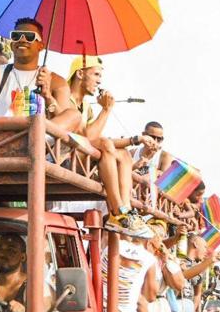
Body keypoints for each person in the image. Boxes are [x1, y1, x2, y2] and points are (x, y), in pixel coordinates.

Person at [64, 54, 156, 238]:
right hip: (64, 158)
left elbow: (95, 140)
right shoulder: (65, 98)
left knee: (123, 154)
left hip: (81, 157)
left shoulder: (87, 107)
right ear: (80, 74)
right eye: (96, 74)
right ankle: (117, 210)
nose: (100, 81)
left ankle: (126, 211)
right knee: (106, 144)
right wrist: (106, 110)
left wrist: (135, 139)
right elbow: (90, 138)